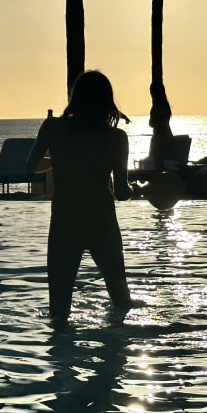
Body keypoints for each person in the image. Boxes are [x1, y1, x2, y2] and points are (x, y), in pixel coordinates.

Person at [26, 70, 138, 322]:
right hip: (102, 222)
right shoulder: (116, 138)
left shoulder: (53, 128)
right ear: (107, 102)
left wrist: (61, 158)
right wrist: (136, 189)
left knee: (59, 313)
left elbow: (30, 166)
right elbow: (121, 192)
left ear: (75, 97)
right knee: (122, 302)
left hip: (65, 221)